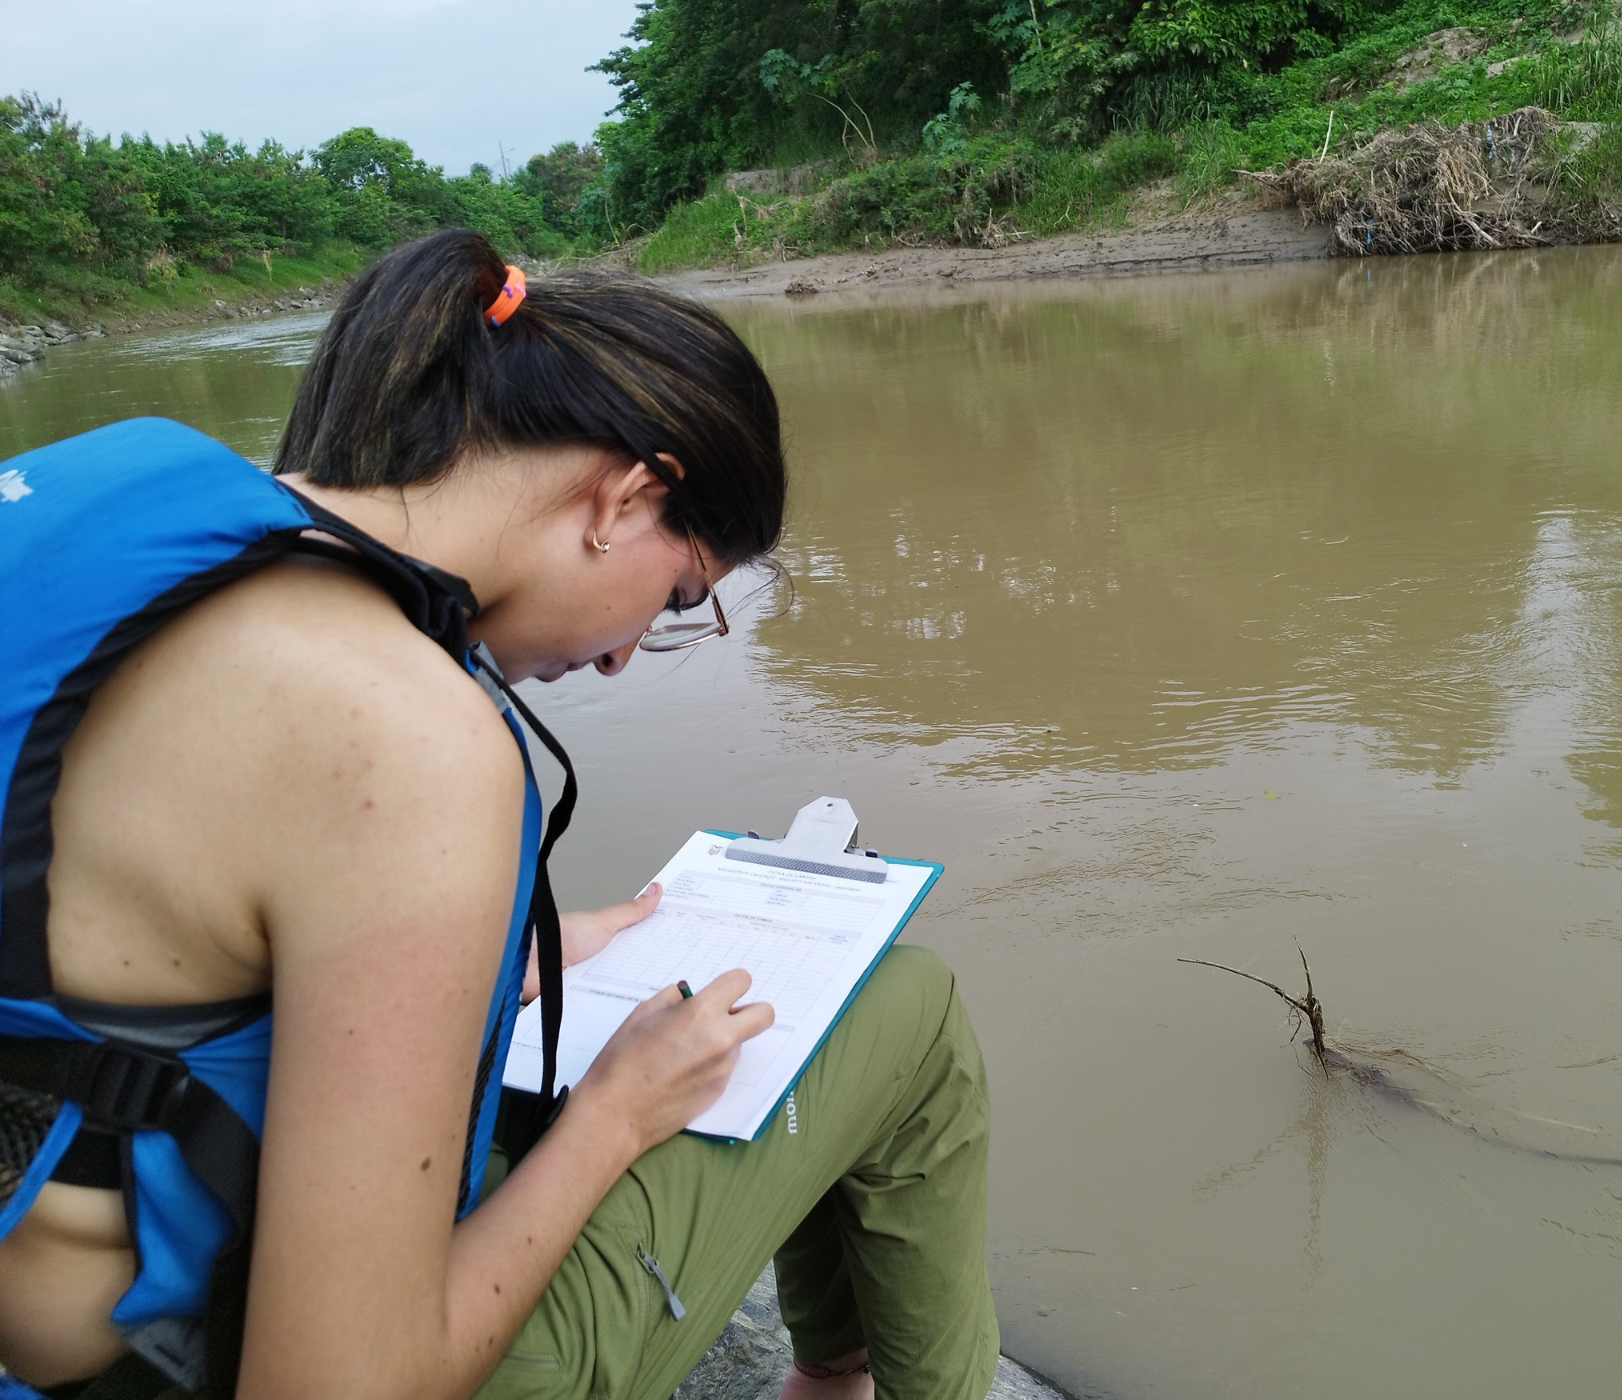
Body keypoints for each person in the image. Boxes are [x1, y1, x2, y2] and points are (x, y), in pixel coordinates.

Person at [0, 230, 998, 1400]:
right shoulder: (408, 733)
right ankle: (841, 1379)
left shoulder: (111, 485)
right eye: (680, 595)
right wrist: (613, 1116)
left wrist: (502, 959)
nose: (624, 655)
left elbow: (115, 929)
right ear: (625, 496)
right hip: (173, 1364)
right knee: (905, 999)